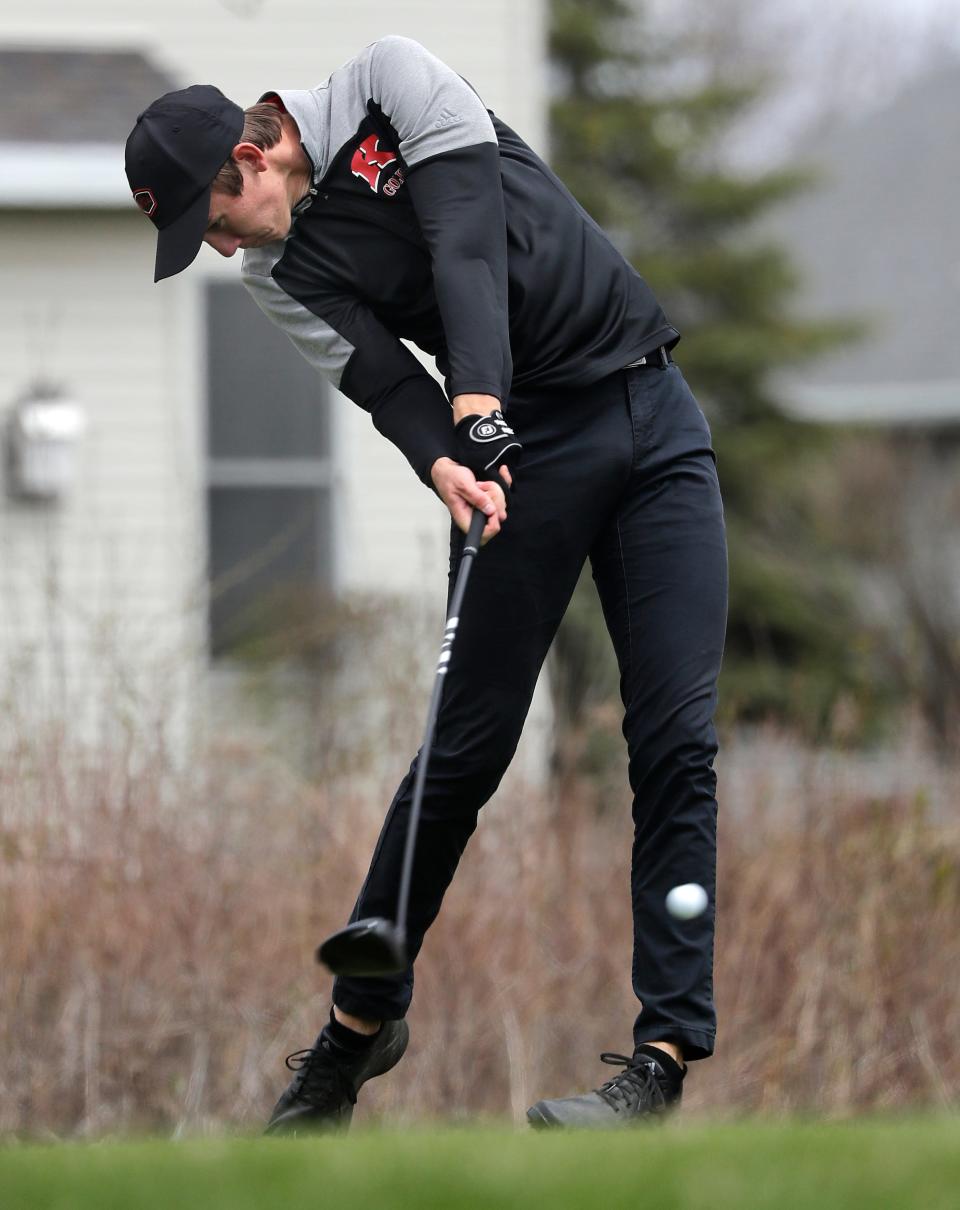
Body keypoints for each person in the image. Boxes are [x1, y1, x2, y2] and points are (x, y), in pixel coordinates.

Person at [125, 35, 728, 1133]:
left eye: (208, 222)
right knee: (463, 751)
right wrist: (448, 456)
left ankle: (661, 1057)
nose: (217, 250)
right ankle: (355, 1035)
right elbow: (388, 385)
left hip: (650, 418)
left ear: (249, 163)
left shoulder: (388, 85)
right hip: (513, 454)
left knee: (676, 740)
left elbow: (468, 248)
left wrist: (478, 403)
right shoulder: (276, 272)